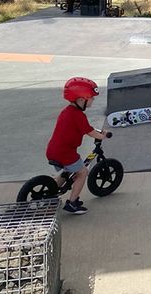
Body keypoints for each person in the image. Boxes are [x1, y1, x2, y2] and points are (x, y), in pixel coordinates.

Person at [46, 77, 108, 214]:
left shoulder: (67, 112)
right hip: (65, 152)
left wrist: (96, 132)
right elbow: (90, 132)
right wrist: (103, 135)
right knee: (82, 172)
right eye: (91, 98)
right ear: (81, 99)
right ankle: (72, 203)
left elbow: (84, 129)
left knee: (67, 171)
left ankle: (50, 194)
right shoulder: (78, 116)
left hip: (54, 150)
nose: (93, 100)